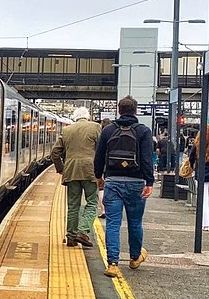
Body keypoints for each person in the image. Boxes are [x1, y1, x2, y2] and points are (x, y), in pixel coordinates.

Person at [94, 96, 154, 278]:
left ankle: (112, 264)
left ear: (119, 110)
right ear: (135, 111)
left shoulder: (108, 130)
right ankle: (135, 258)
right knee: (135, 222)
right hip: (136, 183)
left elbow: (99, 157)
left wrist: (99, 176)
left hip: (112, 182)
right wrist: (149, 182)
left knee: (113, 223)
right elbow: (146, 159)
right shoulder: (143, 131)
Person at [51, 107, 101, 248]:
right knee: (92, 202)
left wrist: (61, 169)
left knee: (73, 205)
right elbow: (101, 150)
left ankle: (71, 238)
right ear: (88, 117)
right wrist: (102, 171)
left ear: (75, 117)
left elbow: (55, 152)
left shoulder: (67, 130)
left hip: (71, 171)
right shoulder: (96, 127)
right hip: (90, 170)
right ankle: (82, 230)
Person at [189, 124, 209, 231]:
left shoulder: (198, 143)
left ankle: (205, 223)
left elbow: (191, 157)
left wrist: (192, 166)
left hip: (201, 175)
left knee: (203, 198)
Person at [97, 118, 111, 219]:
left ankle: (103, 210)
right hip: (112, 165)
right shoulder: (115, 132)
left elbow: (99, 154)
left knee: (101, 188)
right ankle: (109, 210)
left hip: (103, 164)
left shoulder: (102, 134)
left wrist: (97, 174)